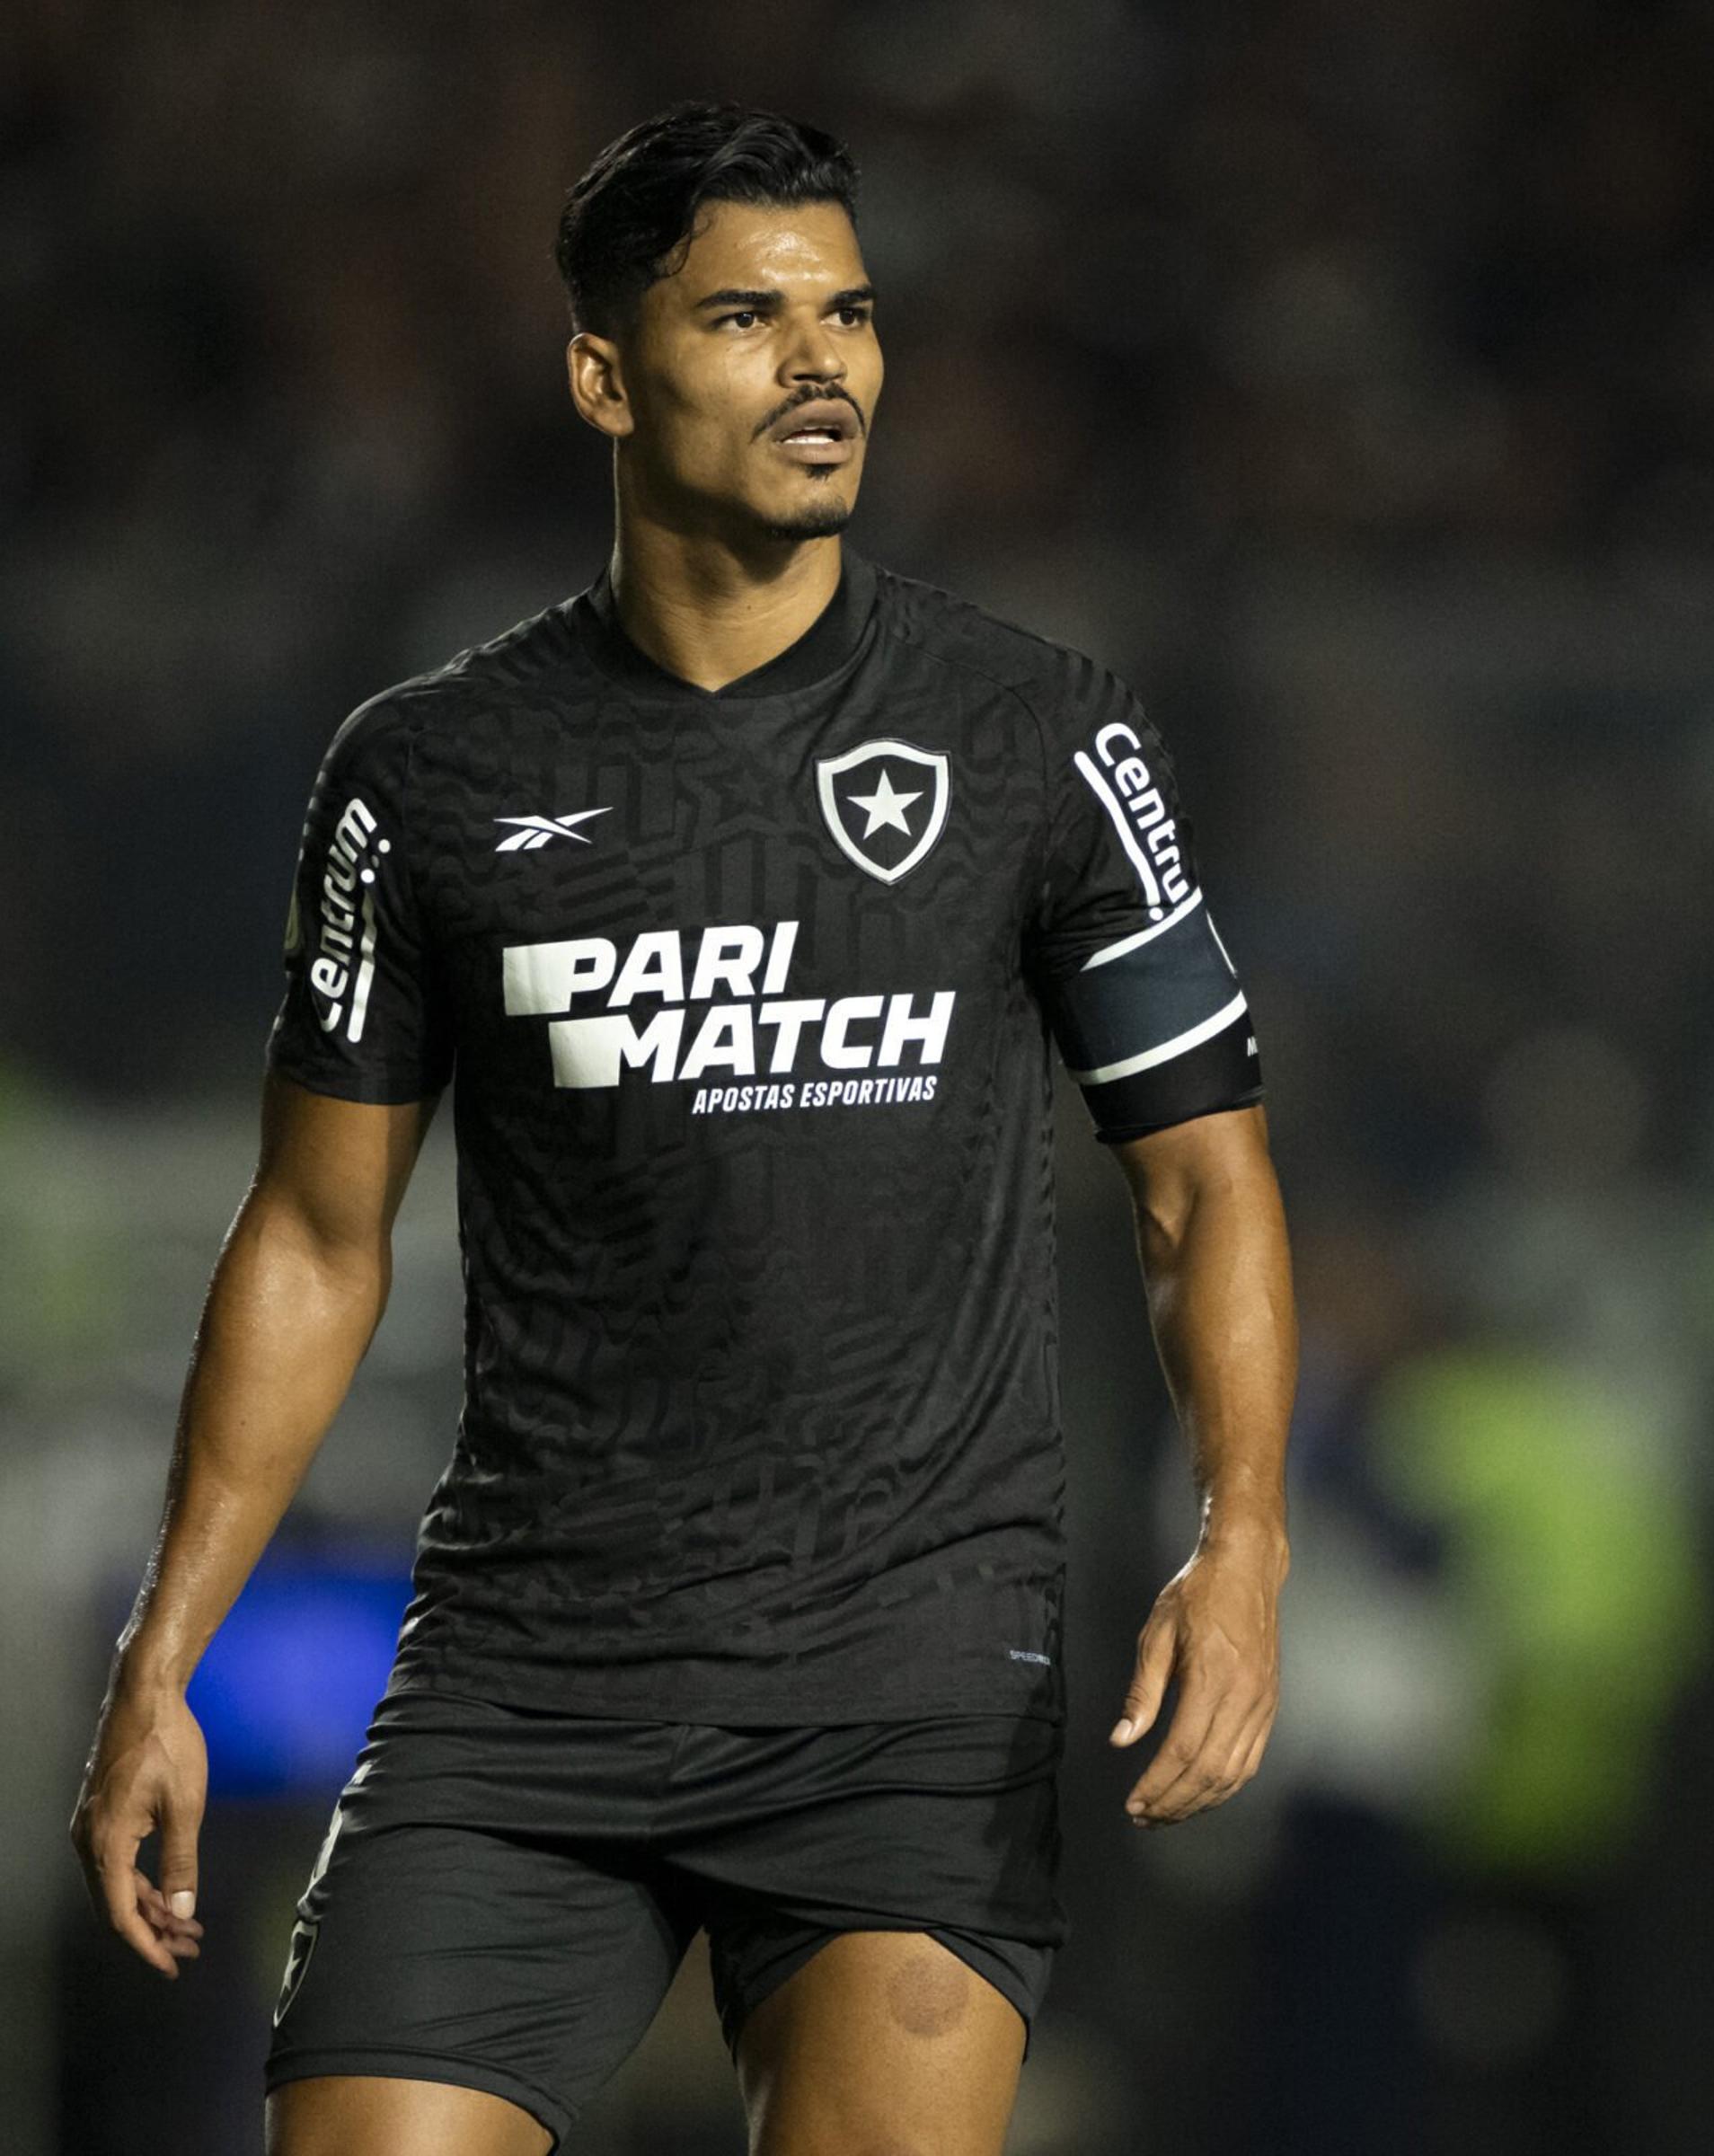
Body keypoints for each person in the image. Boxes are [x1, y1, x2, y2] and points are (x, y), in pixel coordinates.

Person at [65, 103, 1297, 2156]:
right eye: (747, 314)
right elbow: (312, 1238)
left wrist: (1242, 1544)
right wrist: (164, 1651)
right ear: (605, 376)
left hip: (908, 1691)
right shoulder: (432, 775)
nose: (823, 361)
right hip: (525, 1689)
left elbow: (1206, 1183)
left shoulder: (1039, 738)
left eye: (852, 313)